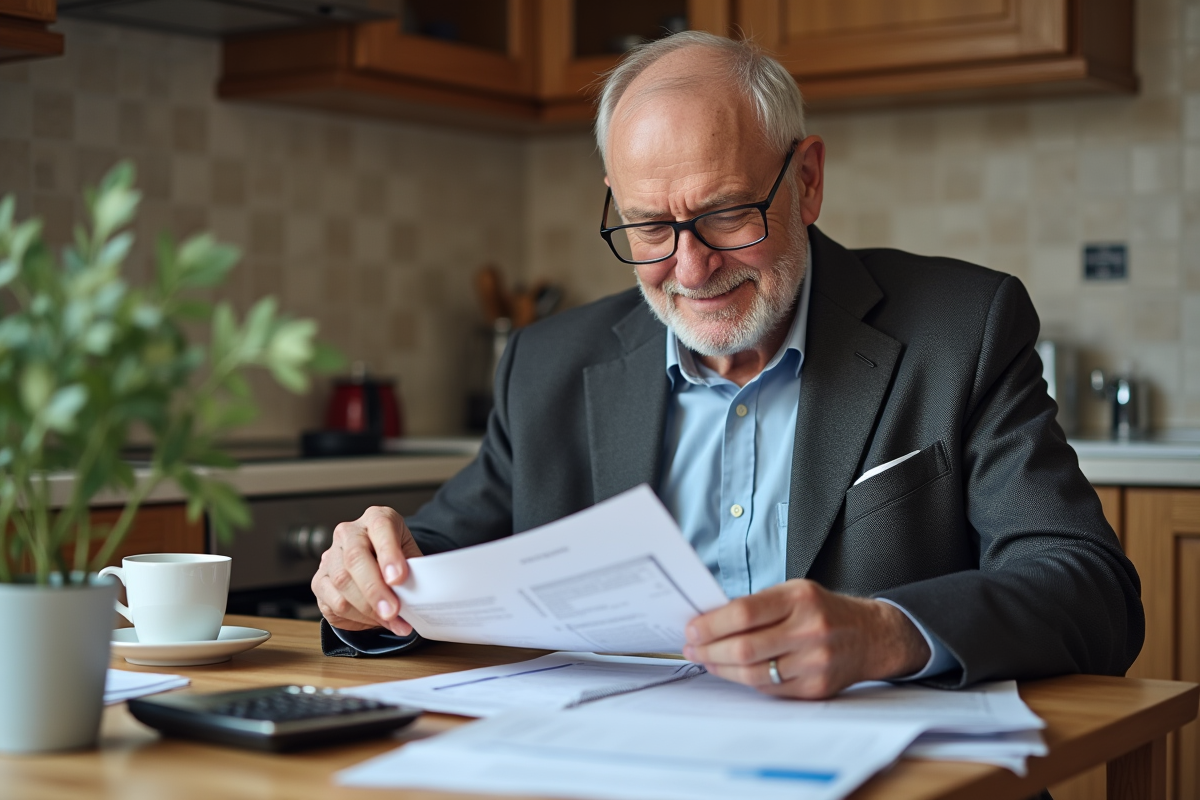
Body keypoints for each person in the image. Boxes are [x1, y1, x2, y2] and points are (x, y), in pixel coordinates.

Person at [312, 31, 1143, 698]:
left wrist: (886, 633)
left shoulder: (961, 330)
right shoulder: (549, 364)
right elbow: (438, 558)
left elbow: (1089, 589)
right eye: (649, 226)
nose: (691, 266)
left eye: (727, 214)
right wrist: (368, 582)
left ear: (806, 182)